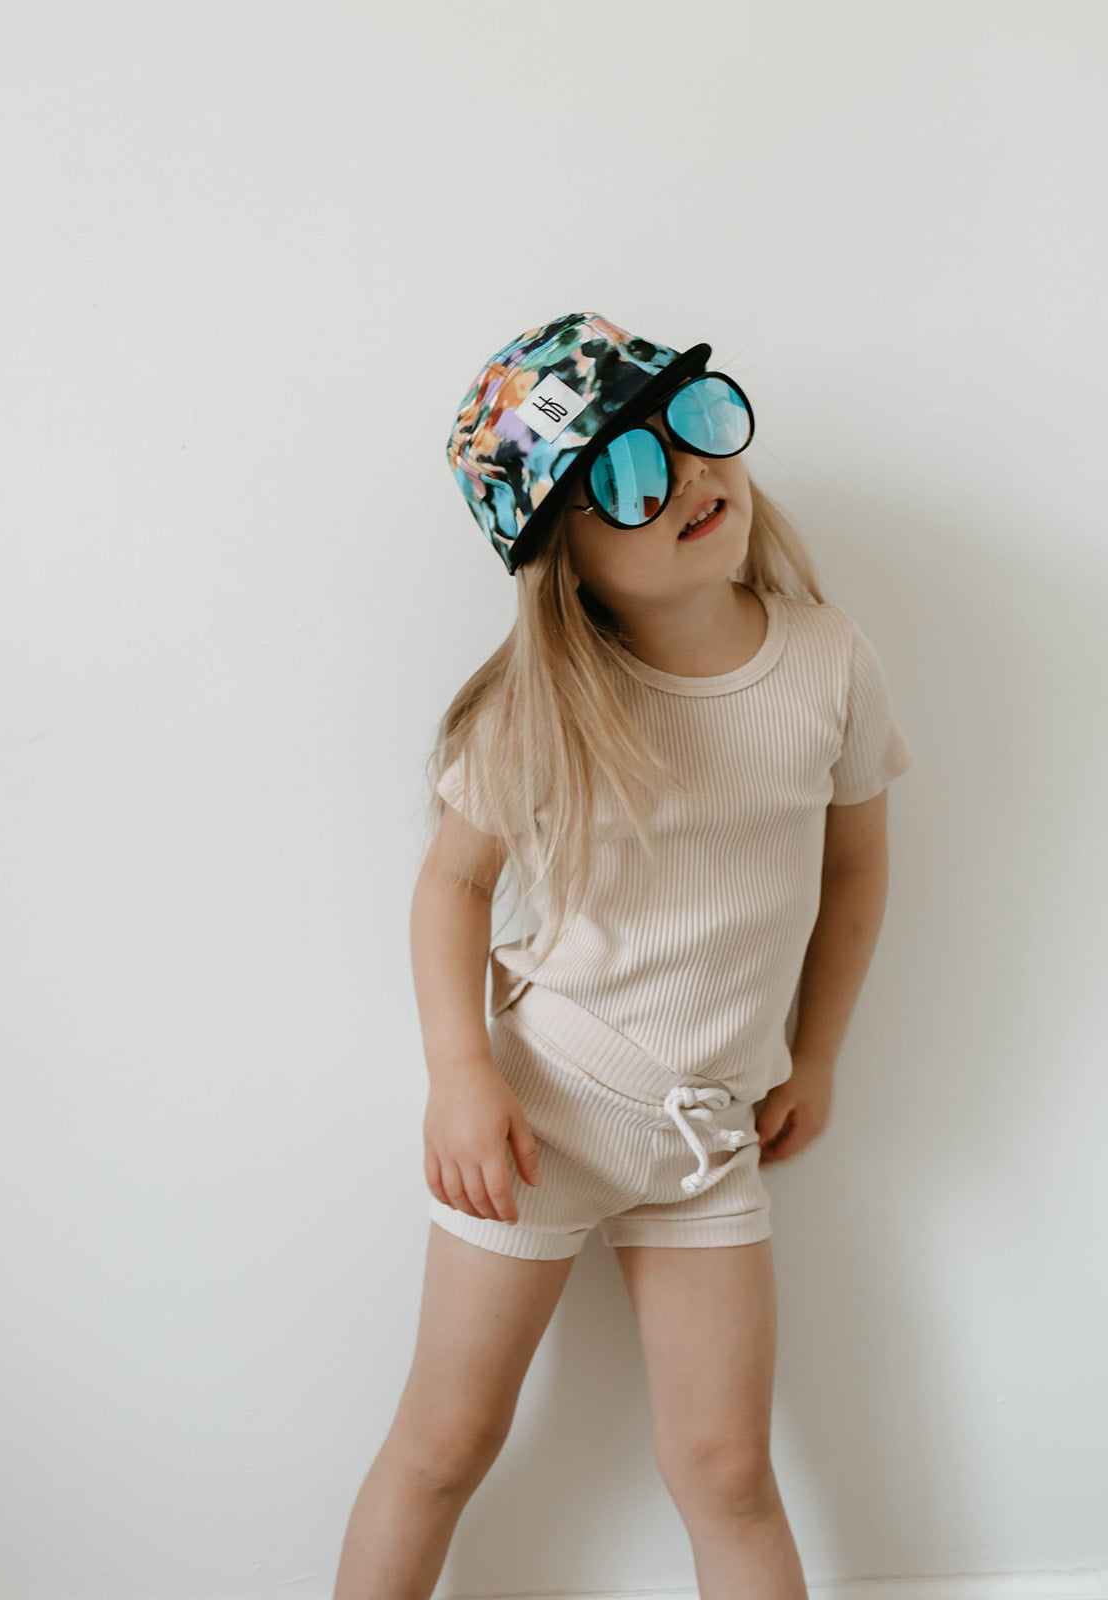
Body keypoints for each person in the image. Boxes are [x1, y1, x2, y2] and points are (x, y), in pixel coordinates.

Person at [333, 311, 916, 1599]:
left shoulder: (830, 662)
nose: (690, 480)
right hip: (543, 1117)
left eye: (696, 429)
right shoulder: (545, 706)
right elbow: (452, 888)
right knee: (444, 1447)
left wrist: (818, 1051)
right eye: (627, 479)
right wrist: (459, 1074)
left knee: (726, 1474)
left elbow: (857, 872)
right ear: (568, 558)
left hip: (710, 1134)